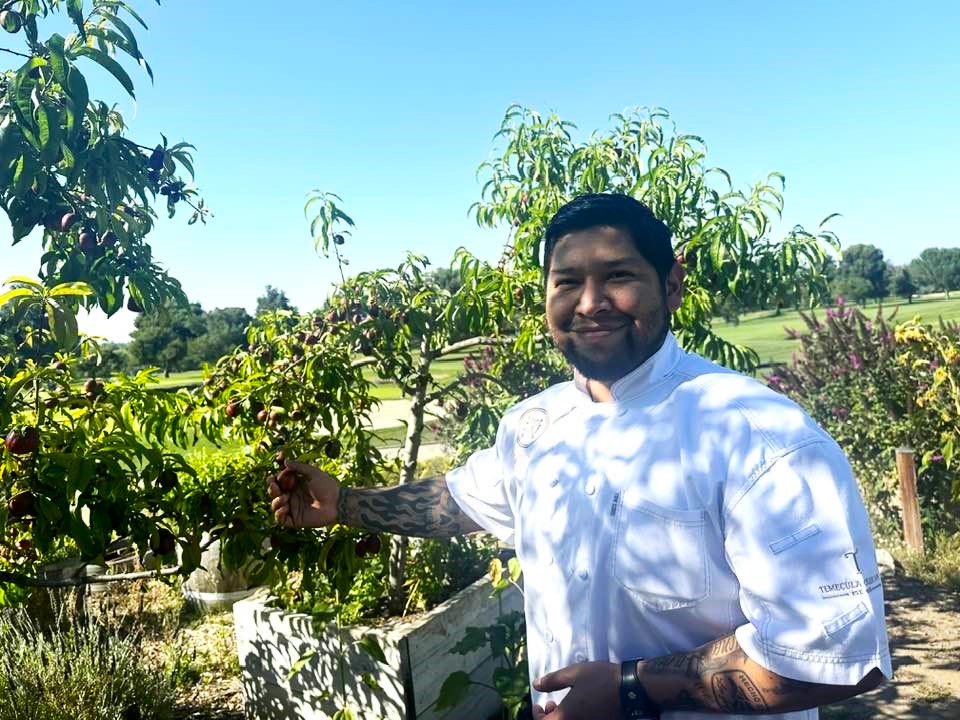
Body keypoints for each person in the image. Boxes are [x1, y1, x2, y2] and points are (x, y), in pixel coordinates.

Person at [268, 193, 891, 720]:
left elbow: (836, 657)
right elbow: (460, 502)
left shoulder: (757, 435)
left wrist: (629, 689)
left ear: (672, 285)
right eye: (567, 282)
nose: (589, 302)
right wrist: (345, 503)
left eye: (618, 276)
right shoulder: (531, 427)